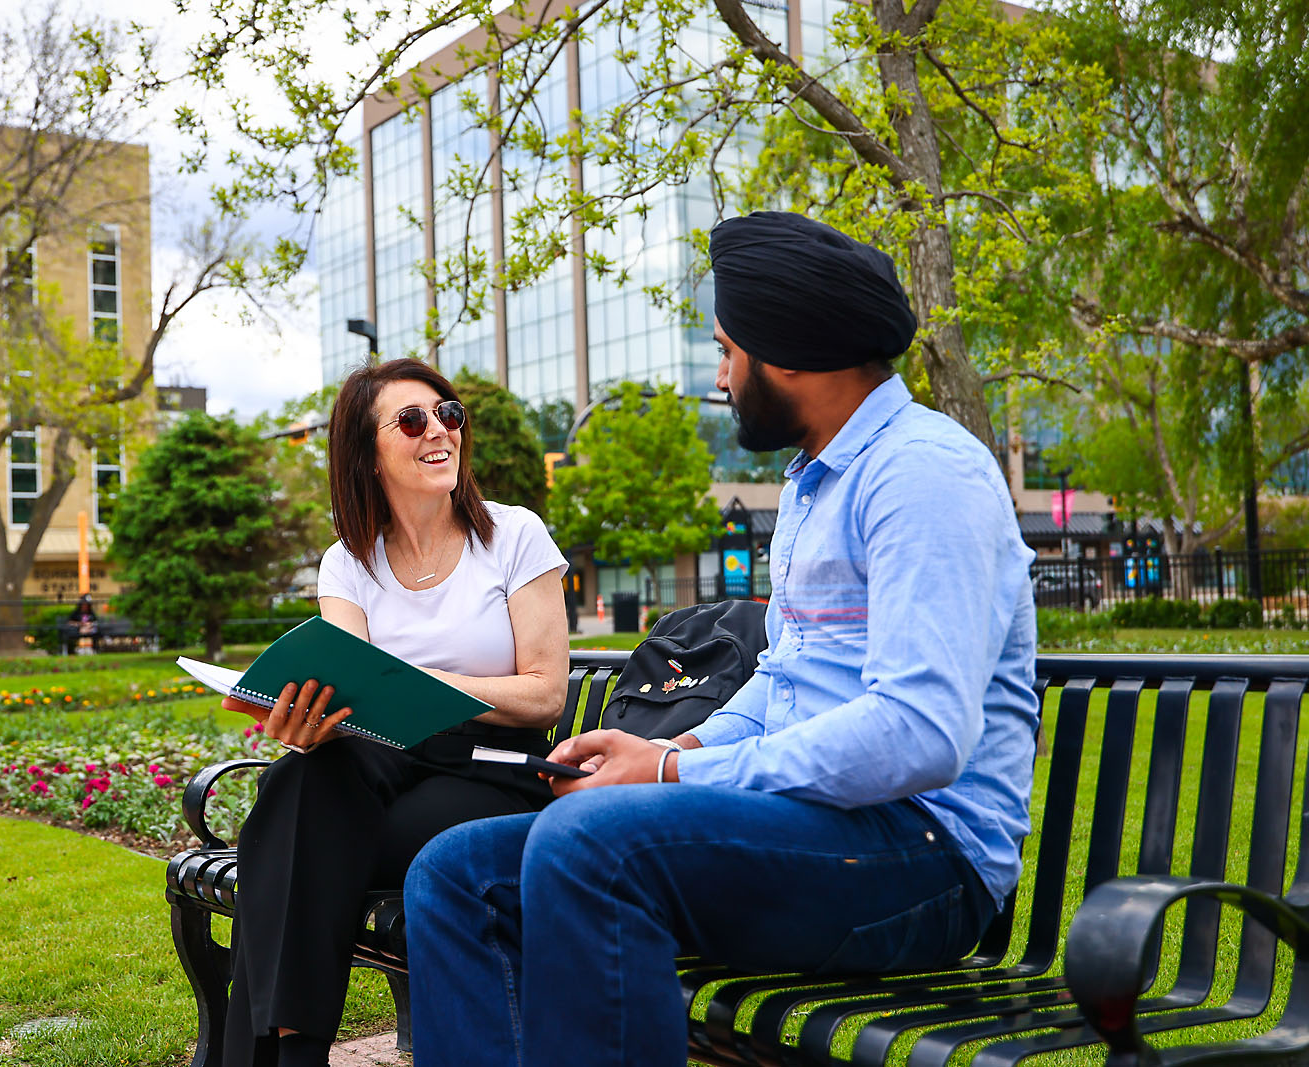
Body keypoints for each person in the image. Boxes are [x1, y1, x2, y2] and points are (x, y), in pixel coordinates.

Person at [403, 211, 1041, 1067]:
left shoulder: (922, 474)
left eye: (727, 352)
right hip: (812, 825)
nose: (721, 377)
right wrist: (666, 749)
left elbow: (919, 732)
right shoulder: (816, 482)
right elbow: (783, 679)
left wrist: (671, 774)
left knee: (589, 844)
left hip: (925, 858)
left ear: (785, 354)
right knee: (454, 873)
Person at [219, 358, 570, 1067]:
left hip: (489, 767)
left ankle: (278, 1057)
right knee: (300, 778)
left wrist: (426, 681)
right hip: (384, 760)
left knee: (288, 835)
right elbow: (349, 692)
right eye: (411, 421)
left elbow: (545, 693)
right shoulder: (347, 562)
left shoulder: (514, 534)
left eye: (448, 414)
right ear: (368, 453)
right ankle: (294, 1055)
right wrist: (307, 721)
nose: (439, 430)